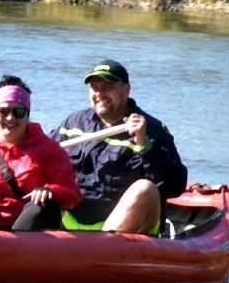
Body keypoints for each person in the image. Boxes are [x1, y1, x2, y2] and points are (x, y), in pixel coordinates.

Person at [57, 59, 187, 235]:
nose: (100, 94)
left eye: (107, 87)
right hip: (71, 221)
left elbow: (175, 186)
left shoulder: (153, 129)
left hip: (123, 226)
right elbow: (41, 154)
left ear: (126, 89)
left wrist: (145, 145)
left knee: (145, 189)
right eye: (95, 87)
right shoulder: (73, 123)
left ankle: (98, 249)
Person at [0, 76, 80, 231]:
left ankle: (11, 247)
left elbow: (72, 195)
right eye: (4, 111)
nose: (10, 117)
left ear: (27, 115)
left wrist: (49, 191)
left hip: (30, 227)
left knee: (41, 205)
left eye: (18, 112)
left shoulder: (49, 149)